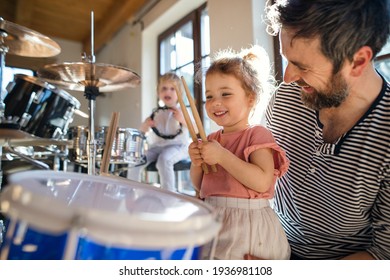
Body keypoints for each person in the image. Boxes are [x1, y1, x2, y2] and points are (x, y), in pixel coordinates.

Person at [247, 0, 390, 260]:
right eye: (286, 60)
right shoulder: (286, 98)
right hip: (269, 245)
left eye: (303, 66)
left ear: (358, 61)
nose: (288, 77)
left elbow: (383, 254)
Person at [188, 45, 291, 260]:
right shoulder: (212, 140)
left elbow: (262, 182)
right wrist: (197, 161)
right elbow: (200, 186)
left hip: (248, 228)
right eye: (209, 96)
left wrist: (222, 156)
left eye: (225, 94)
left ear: (250, 98)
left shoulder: (258, 135)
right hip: (214, 219)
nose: (215, 102)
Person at [127, 73, 190, 192]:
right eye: (164, 88)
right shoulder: (156, 113)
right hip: (156, 147)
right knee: (135, 159)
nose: (168, 92)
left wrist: (182, 119)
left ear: (179, 94)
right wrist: (145, 125)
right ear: (158, 93)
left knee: (164, 160)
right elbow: (141, 132)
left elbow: (195, 129)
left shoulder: (183, 111)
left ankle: (168, 193)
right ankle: (131, 190)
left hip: (178, 146)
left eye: (173, 89)